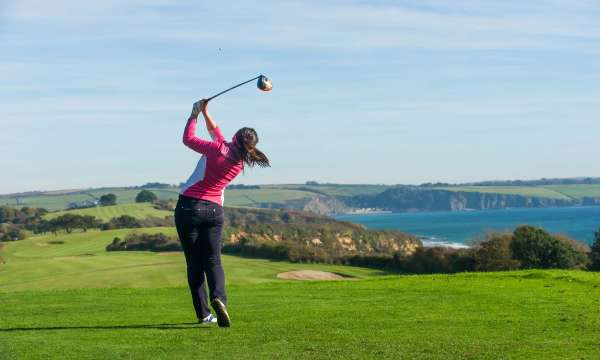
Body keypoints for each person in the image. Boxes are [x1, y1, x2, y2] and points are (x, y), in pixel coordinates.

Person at [175, 99, 270, 327]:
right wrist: (206, 112)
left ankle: (205, 315)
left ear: (234, 139)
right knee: (213, 261)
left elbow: (188, 139)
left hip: (189, 207)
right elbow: (216, 133)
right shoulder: (240, 161)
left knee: (194, 263)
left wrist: (193, 115)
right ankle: (220, 298)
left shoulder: (217, 148)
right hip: (215, 211)